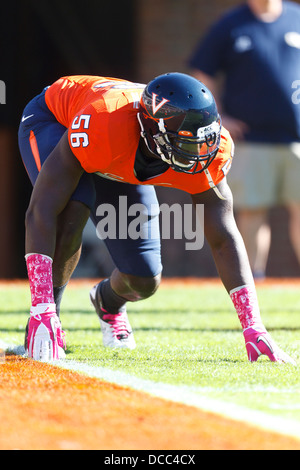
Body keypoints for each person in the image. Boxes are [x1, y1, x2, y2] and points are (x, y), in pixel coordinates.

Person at [18, 72, 295, 365]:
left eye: (204, 139)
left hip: (121, 149)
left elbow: (224, 236)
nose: (198, 153)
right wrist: (42, 308)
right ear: (152, 131)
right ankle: (48, 319)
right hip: (57, 121)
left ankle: (107, 303)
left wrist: (253, 326)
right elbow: (41, 210)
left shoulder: (210, 150)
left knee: (143, 277)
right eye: (185, 141)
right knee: (72, 208)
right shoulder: (104, 123)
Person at [188, 0, 300, 279]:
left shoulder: (296, 18)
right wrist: (219, 115)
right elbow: (202, 72)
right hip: (251, 138)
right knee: (252, 212)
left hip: (296, 137)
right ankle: (253, 284)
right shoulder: (230, 24)